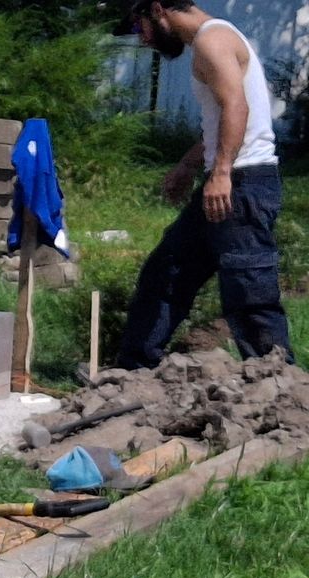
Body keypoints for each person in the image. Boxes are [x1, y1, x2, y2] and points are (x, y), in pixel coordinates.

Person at [114, 1, 294, 368]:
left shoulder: (214, 41)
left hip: (242, 185)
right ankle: (132, 372)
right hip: (232, 180)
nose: (144, 40)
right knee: (166, 273)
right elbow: (221, 121)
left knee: (248, 292)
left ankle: (278, 391)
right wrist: (187, 166)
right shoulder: (211, 40)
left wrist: (222, 172)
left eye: (139, 28)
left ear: (157, 8)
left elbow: (236, 109)